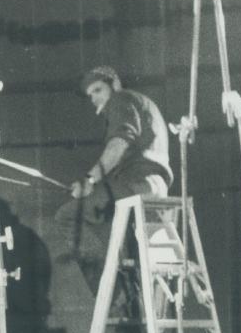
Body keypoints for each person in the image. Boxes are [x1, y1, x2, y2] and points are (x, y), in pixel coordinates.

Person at [53, 65, 173, 294]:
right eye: (90, 95)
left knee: (67, 216)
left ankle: (110, 289)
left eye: (98, 90)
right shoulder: (142, 103)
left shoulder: (121, 99)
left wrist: (89, 181)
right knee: (108, 222)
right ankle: (128, 287)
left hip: (135, 186)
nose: (94, 98)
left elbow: (118, 144)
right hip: (154, 187)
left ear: (114, 84)